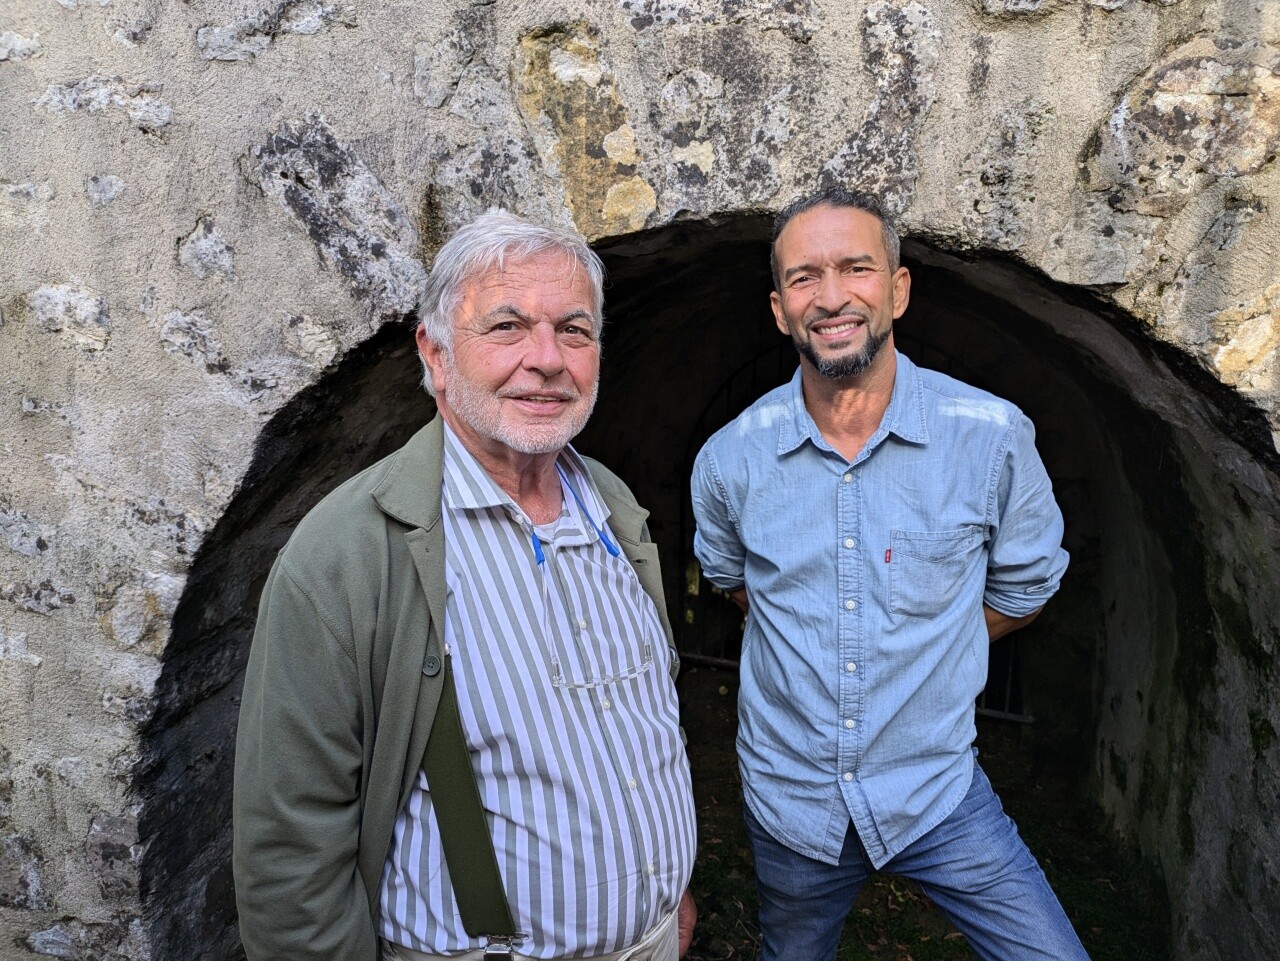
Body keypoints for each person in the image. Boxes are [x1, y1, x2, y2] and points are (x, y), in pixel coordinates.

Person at [234, 210, 697, 961]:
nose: (547, 359)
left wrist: (662, 892)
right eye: (508, 326)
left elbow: (637, 726)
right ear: (437, 353)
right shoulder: (350, 552)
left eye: (574, 331)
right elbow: (291, 844)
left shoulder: (611, 503)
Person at [690, 187, 1088, 961]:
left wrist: (935, 646)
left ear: (897, 290)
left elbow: (1026, 585)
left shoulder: (992, 439)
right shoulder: (730, 458)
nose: (831, 296)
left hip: (937, 791)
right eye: (804, 277)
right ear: (779, 309)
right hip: (793, 803)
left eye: (855, 268)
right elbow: (734, 581)